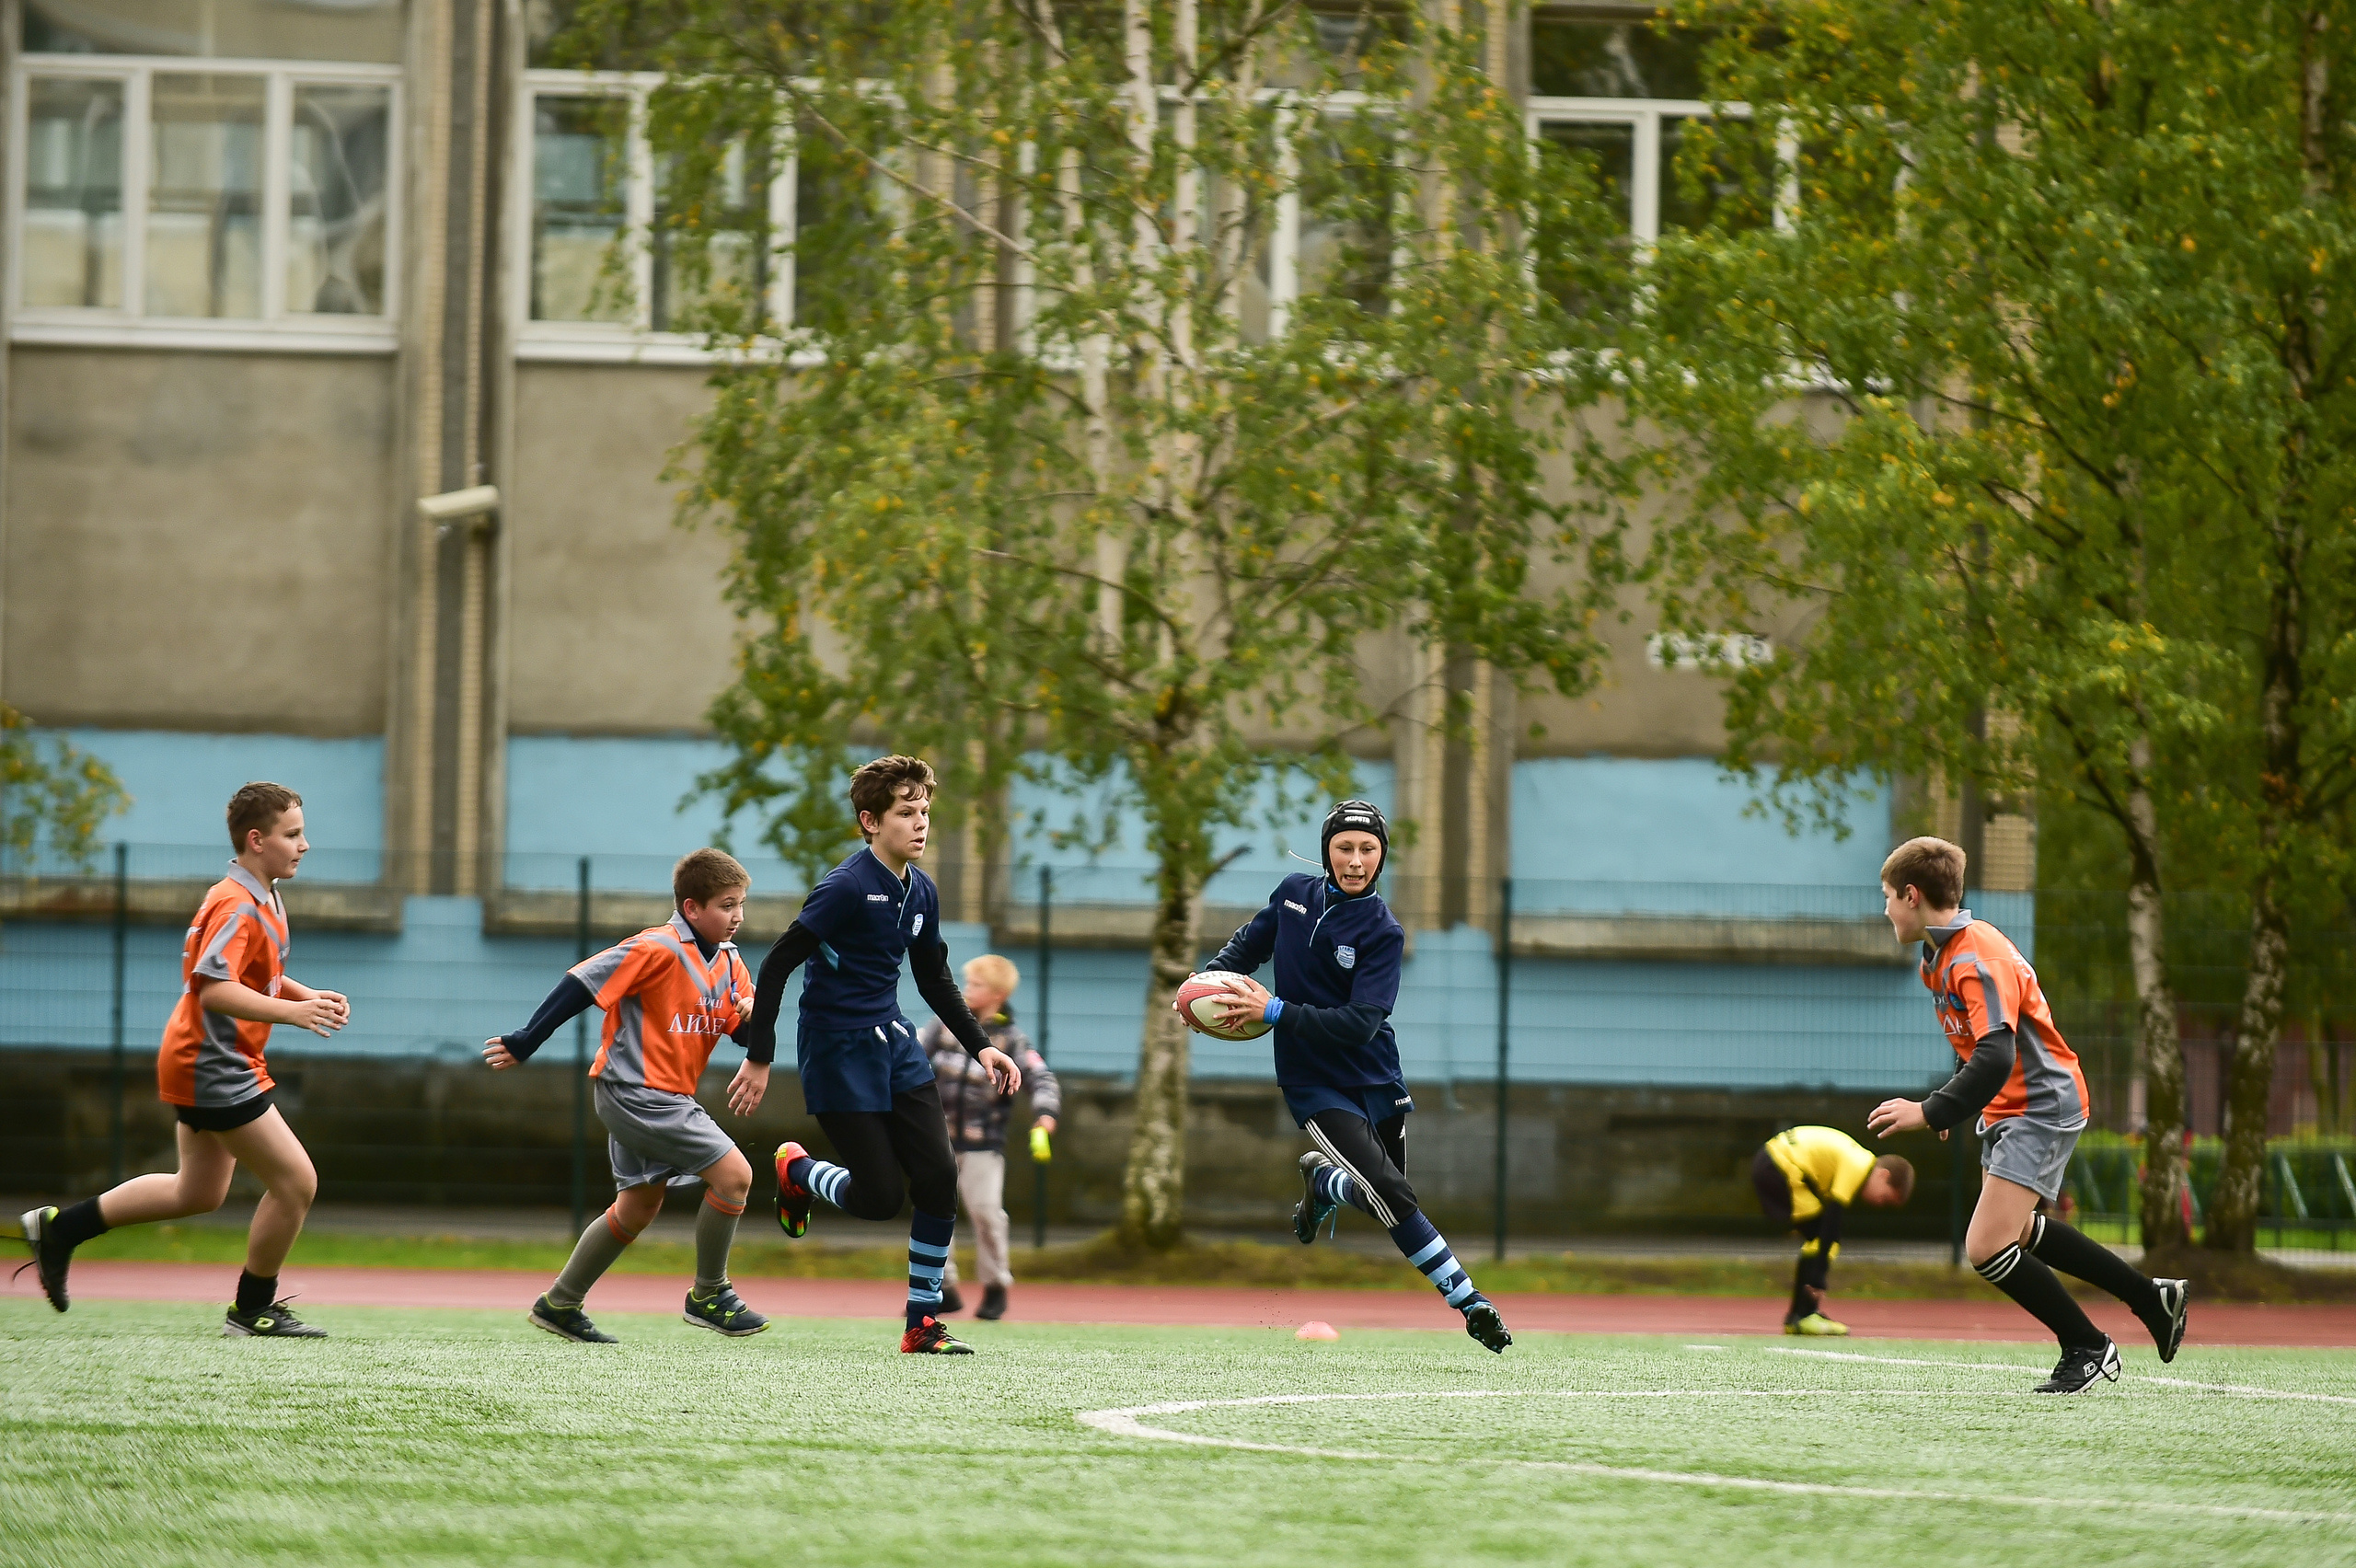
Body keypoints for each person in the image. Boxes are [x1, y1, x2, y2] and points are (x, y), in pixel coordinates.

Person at [17, 782, 350, 1337]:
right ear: (256, 840)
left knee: (196, 1193)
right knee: (296, 1183)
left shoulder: (260, 894)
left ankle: (60, 1230)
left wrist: (303, 995)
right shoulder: (236, 903)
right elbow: (214, 989)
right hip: (213, 1065)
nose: (304, 845)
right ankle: (251, 1311)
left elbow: (250, 974)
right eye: (293, 834)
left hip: (203, 1058)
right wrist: (289, 1014)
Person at [1867, 836, 2189, 1393]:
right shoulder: (1942, 955)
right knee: (2017, 1232)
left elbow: (1996, 1052)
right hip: (2012, 1104)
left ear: (1912, 895)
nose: (1886, 909)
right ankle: (2149, 1297)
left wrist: (1932, 1108)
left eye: (1889, 897)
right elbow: (1977, 1047)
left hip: (2041, 1103)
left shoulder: (1974, 955)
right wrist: (1959, 1100)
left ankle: (2088, 1346)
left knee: (1985, 1246)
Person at [1203, 800, 1512, 1353]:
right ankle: (1470, 1302)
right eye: (1344, 847)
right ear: (1327, 851)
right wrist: (1206, 985)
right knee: (1393, 1193)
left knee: (1386, 1196)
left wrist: (1273, 1011)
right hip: (1314, 1082)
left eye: (1368, 849)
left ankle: (1323, 1184)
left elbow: (1361, 1022)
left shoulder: (1382, 930)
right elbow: (1249, 945)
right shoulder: (1293, 894)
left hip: (1375, 1076)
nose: (1355, 860)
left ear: (1381, 857)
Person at [742, 755, 1021, 1355]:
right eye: (905, 812)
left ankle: (921, 1324)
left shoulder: (922, 891)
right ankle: (796, 1171)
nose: (920, 823)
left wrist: (984, 1048)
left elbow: (935, 979)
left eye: (925, 811)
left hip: (894, 1044)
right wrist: (759, 1054)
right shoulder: (844, 887)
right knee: (878, 1200)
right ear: (870, 821)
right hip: (836, 1049)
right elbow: (778, 962)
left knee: (939, 1177)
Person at [483, 848, 768, 1343]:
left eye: (741, 904)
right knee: (735, 1177)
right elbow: (580, 982)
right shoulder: (655, 947)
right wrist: (527, 1039)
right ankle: (709, 1294)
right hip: (637, 1092)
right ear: (691, 907)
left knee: (637, 1206)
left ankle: (560, 1304)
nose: (738, 916)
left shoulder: (730, 961)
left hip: (660, 1096)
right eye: (726, 905)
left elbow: (737, 1034)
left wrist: (749, 1018)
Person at [918, 953, 1060, 1320]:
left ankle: (996, 1285)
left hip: (984, 1144)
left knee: (985, 1213)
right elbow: (911, 1055)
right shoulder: (942, 1027)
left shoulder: (1012, 1039)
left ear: (998, 994)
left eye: (977, 985)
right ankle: (941, 1287)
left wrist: (1045, 1115)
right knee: (934, 1211)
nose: (968, 990)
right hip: (938, 1139)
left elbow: (1040, 1078)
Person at [1752, 1124, 1913, 1336]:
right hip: (1779, 1166)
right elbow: (1833, 1218)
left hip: (1773, 1160)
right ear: (1883, 1175)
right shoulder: (1857, 1165)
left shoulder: (1856, 1157)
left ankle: (1801, 1315)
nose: (1879, 1203)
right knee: (1823, 1238)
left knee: (1818, 1238)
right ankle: (1804, 1314)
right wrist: (1819, 1278)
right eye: (1884, 1198)